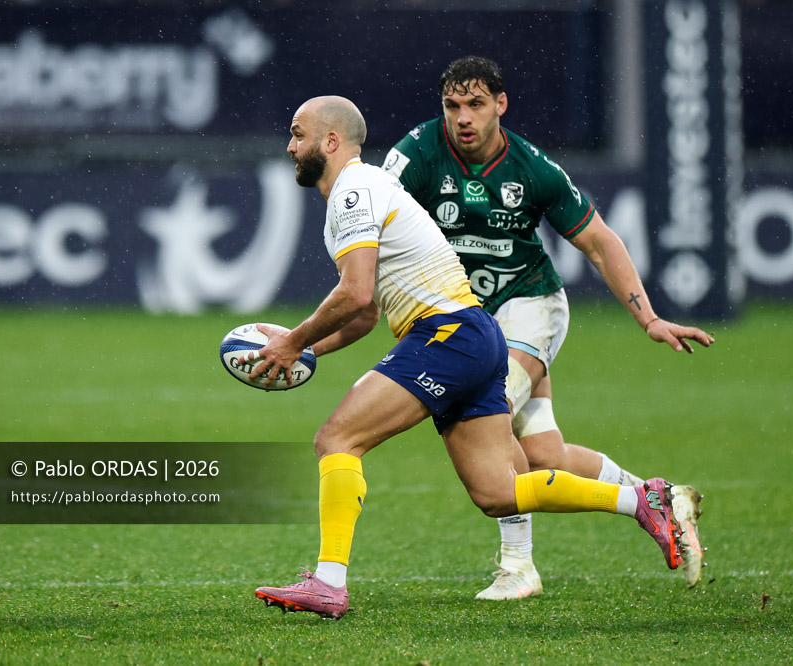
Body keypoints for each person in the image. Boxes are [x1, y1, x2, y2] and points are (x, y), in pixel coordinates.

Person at [250, 95, 689, 620]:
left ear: (331, 141)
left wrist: (292, 341)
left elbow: (356, 294)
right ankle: (643, 500)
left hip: (447, 335)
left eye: (299, 134)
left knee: (337, 438)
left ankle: (329, 583)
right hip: (473, 335)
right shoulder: (357, 196)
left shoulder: (354, 191)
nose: (291, 146)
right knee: (498, 493)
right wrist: (302, 352)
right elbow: (365, 316)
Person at [382, 56, 714, 599]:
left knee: (487, 413)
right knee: (545, 458)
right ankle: (658, 498)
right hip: (466, 320)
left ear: (501, 105)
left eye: (476, 105)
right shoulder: (417, 153)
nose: (462, 118)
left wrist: (648, 317)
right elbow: (376, 223)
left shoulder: (534, 170)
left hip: (529, 307)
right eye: (452, 106)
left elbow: (600, 243)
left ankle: (518, 567)